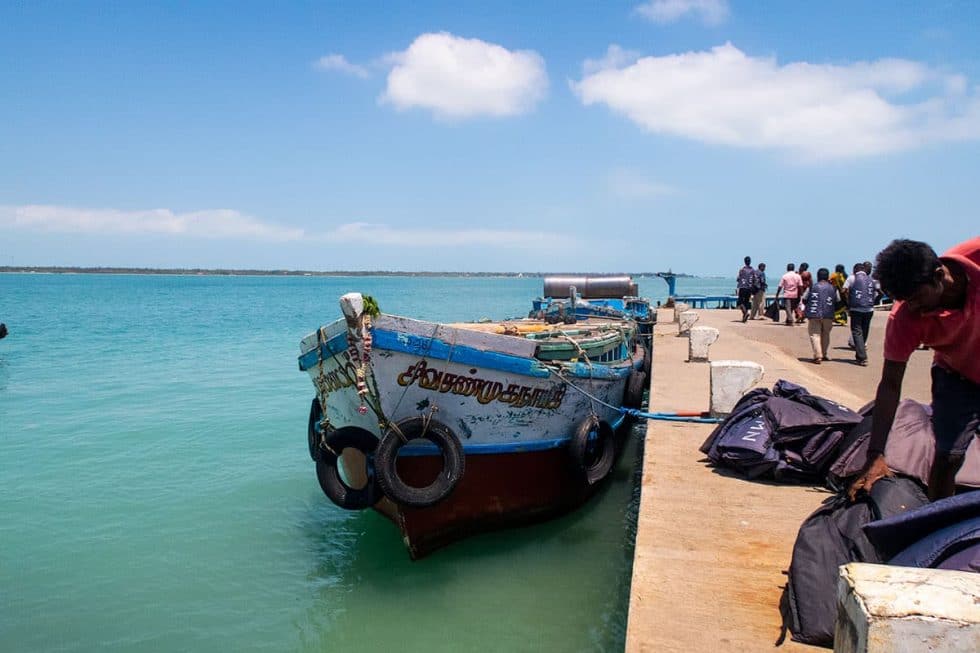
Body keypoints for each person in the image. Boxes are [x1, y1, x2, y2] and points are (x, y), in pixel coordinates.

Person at [849, 237, 980, 501]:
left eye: (917, 298)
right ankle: (936, 526)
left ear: (938, 275)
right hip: (956, 376)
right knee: (948, 456)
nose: (914, 309)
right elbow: (890, 384)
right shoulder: (904, 317)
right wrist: (876, 454)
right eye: (905, 300)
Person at [800, 267, 839, 364]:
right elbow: (838, 300)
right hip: (828, 314)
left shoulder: (812, 287)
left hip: (814, 314)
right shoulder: (833, 288)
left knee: (815, 334)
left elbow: (804, 299)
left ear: (818, 276)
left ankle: (818, 355)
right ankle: (824, 354)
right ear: (827, 277)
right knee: (826, 334)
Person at [843, 262, 875, 365]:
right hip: (869, 309)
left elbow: (844, 290)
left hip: (856, 308)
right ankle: (859, 354)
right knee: (864, 331)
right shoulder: (871, 279)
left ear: (855, 270)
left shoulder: (852, 278)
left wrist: (848, 300)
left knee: (857, 332)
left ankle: (862, 357)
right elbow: (877, 291)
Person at [736, 256, 756, 323]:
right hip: (749, 288)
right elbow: (755, 280)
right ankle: (744, 316)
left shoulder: (742, 270)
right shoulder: (753, 270)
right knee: (746, 302)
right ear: (750, 262)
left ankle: (745, 313)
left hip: (742, 287)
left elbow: (738, 279)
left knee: (740, 302)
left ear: (744, 262)